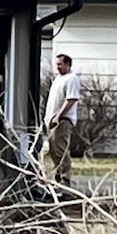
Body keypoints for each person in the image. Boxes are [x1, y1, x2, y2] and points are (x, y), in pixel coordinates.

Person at [43, 53, 81, 187]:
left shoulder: (72, 79)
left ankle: (65, 181)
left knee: (60, 150)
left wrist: (59, 115)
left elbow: (71, 99)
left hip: (62, 120)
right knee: (53, 151)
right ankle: (57, 180)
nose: (57, 67)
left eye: (60, 64)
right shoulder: (58, 78)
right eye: (57, 64)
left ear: (68, 64)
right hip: (52, 120)